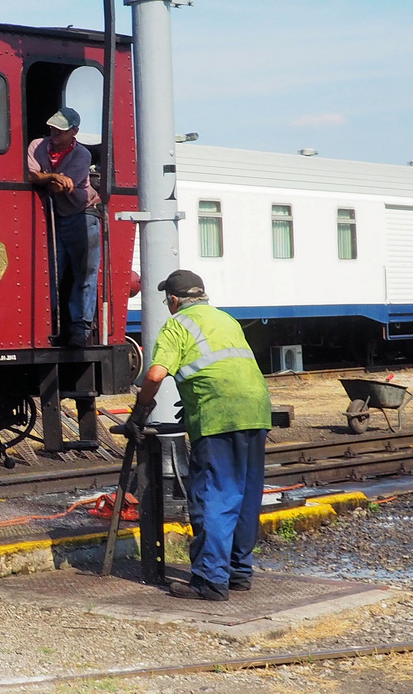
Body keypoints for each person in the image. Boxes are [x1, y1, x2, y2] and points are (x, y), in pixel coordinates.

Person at [126, 270, 273, 601]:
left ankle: (209, 580)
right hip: (256, 410)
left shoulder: (177, 324)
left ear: (174, 301)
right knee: (246, 493)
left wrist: (139, 411)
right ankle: (238, 572)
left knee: (214, 495)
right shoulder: (226, 321)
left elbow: (155, 374)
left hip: (218, 416)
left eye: (168, 301)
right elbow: (224, 368)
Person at [27, 107, 99, 346]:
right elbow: (30, 176)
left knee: (84, 272)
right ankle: (52, 324)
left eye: (61, 130)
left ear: (74, 132)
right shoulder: (37, 146)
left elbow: (60, 188)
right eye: (53, 128)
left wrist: (46, 177)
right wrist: (52, 177)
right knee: (52, 271)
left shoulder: (82, 155)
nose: (54, 133)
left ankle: (81, 329)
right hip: (57, 216)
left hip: (83, 215)